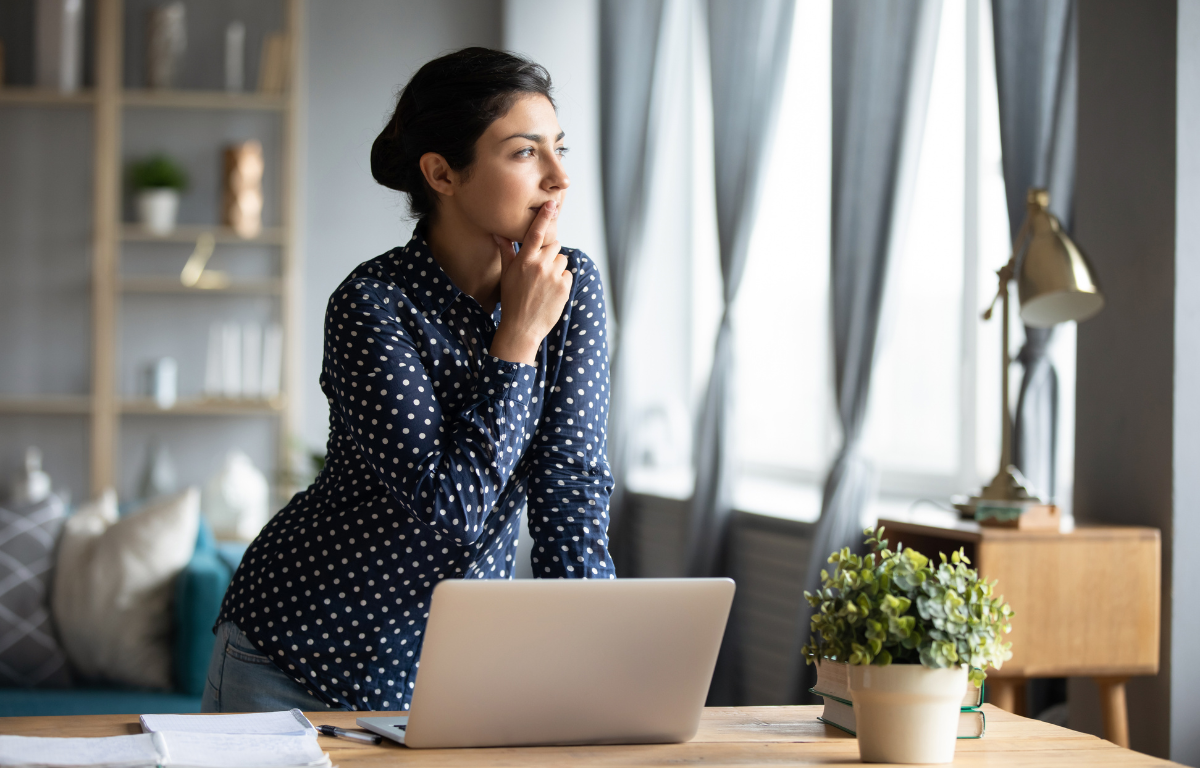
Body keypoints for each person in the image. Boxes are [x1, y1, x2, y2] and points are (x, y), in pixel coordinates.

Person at [202, 47, 615, 714]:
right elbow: (449, 510)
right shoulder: (373, 304)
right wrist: (516, 343)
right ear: (442, 174)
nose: (559, 177)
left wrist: (597, 667)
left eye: (559, 149)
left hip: (449, 672)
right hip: (298, 653)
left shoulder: (574, 286)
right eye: (523, 153)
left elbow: (570, 486)